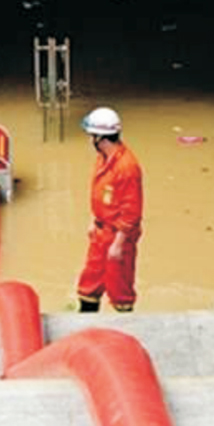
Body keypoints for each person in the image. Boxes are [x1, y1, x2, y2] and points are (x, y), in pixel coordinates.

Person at [76, 107, 143, 312]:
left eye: (91, 136)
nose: (90, 141)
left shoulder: (127, 167)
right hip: (100, 233)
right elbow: (102, 194)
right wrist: (93, 220)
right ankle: (86, 324)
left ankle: (123, 329)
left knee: (120, 290)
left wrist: (118, 244)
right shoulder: (104, 159)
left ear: (100, 138)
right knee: (88, 285)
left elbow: (132, 211)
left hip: (117, 237)